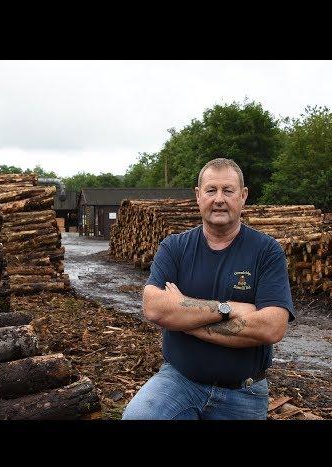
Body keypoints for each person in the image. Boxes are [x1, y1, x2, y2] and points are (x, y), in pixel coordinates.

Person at [122, 158, 295, 420]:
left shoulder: (266, 251)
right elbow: (154, 307)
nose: (219, 199)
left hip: (243, 392)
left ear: (243, 195)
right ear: (198, 195)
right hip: (180, 380)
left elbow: (272, 327)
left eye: (228, 190)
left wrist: (183, 318)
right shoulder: (175, 247)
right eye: (211, 190)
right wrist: (229, 309)